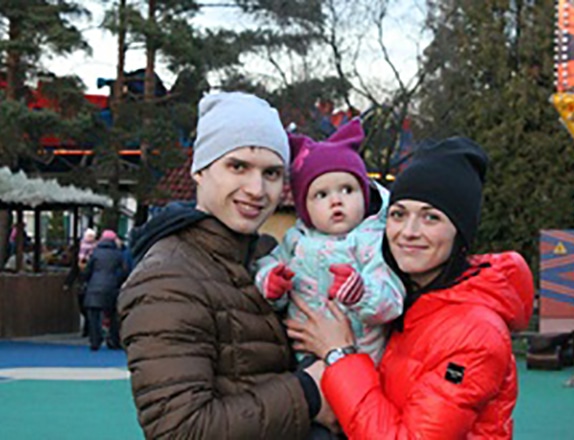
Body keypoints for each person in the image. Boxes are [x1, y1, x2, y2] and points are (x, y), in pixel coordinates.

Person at [118, 92, 333, 439]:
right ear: (200, 170)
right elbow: (180, 431)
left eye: (271, 173)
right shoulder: (167, 277)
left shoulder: (267, 256)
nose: (256, 189)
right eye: (238, 167)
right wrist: (308, 393)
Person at [287, 137, 534, 439]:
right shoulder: (405, 299)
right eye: (399, 214)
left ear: (460, 232)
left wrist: (339, 355)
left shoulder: (475, 335)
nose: (409, 231)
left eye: (431, 217)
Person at [255, 119, 404, 364]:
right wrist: (270, 282)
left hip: (359, 359)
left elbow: (392, 301)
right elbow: (267, 264)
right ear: (305, 208)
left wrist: (361, 293)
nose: (336, 201)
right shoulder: (295, 239)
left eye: (347, 190)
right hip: (302, 355)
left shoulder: (372, 241)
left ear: (364, 195)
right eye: (321, 194)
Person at [82, 229, 126, 350]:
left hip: (94, 287)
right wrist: (117, 281)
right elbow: (124, 271)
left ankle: (95, 340)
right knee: (113, 315)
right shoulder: (118, 254)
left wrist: (87, 281)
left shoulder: (95, 253)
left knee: (93, 316)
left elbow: (88, 270)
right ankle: (113, 340)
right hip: (111, 287)